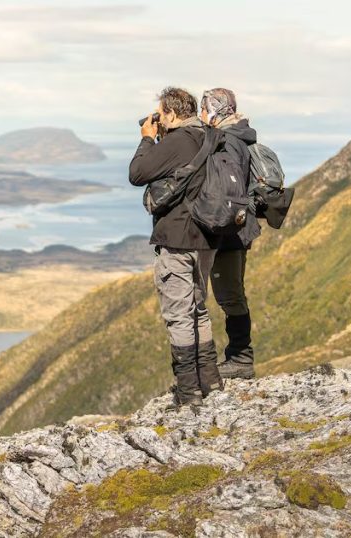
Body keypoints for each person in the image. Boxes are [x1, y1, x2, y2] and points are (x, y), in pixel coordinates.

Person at [129, 87, 224, 411]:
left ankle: (188, 393)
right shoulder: (208, 137)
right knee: (198, 309)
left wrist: (146, 139)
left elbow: (137, 173)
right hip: (207, 239)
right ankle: (210, 383)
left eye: (160, 113)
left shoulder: (177, 142)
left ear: (169, 114)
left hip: (177, 239)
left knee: (178, 316)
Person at [199, 88, 260, 380]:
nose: (201, 116)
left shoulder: (227, 141)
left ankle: (240, 357)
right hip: (236, 226)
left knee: (230, 294)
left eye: (204, 109)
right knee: (230, 293)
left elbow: (228, 190)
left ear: (215, 110)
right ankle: (238, 356)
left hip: (230, 230)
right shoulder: (238, 137)